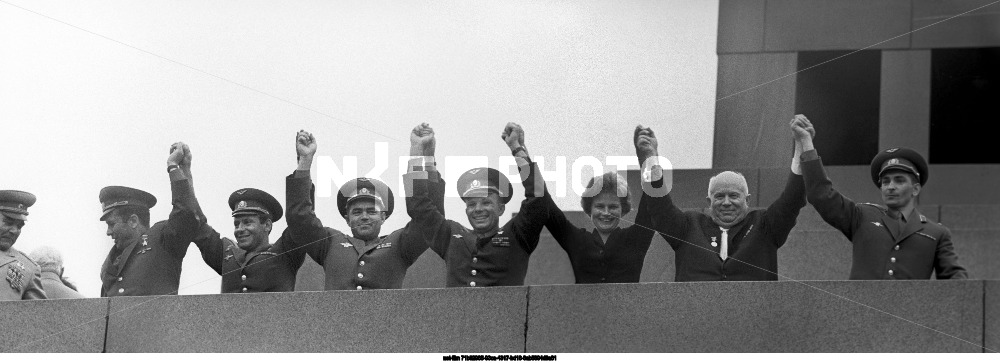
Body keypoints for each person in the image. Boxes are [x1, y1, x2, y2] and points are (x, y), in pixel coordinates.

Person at [795, 115, 967, 279]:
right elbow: (821, 195)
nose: (890, 186)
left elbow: (956, 282)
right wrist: (806, 142)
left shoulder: (936, 232)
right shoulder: (861, 216)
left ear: (915, 189)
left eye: (899, 181)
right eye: (885, 181)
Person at [287, 127, 446, 290]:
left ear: (383, 217)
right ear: (347, 219)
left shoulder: (399, 244)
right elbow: (299, 219)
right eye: (357, 212)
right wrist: (305, 161)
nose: (364, 216)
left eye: (371, 211)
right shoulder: (329, 242)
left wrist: (422, 157)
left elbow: (431, 219)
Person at [650, 119, 809, 281]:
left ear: (747, 200)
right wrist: (650, 160)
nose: (726, 202)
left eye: (733, 196)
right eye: (719, 196)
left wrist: (802, 146)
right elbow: (660, 208)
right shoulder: (689, 226)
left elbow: (793, 199)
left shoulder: (765, 225)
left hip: (753, 305)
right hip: (695, 306)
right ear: (708, 201)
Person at [405, 122, 552, 287]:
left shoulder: (517, 235)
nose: (478, 209)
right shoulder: (452, 236)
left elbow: (539, 198)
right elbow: (418, 204)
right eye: (472, 204)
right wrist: (419, 152)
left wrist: (517, 148)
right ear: (466, 209)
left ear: (501, 208)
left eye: (486, 202)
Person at [192, 131, 324, 293]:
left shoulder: (285, 252)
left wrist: (304, 162)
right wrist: (182, 173)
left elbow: (300, 220)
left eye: (247, 222)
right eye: (236, 224)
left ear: (267, 225)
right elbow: (195, 223)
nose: (240, 229)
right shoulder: (227, 256)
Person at [541, 126, 668, 283]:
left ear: (623, 210)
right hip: (585, 308)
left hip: (628, 308)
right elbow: (542, 200)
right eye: (600, 206)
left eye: (613, 206)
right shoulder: (577, 240)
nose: (606, 212)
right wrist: (518, 150)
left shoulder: (636, 238)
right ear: (590, 209)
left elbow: (654, 197)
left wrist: (649, 157)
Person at [98, 142, 204, 297]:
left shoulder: (162, 240)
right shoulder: (110, 263)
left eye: (112, 224)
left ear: (133, 221)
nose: (108, 232)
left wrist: (175, 168)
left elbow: (187, 214)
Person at [0, 190, 46, 300]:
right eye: (8, 222)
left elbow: (40, 313)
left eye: (19, 226)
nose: (14, 231)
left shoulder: (28, 268)